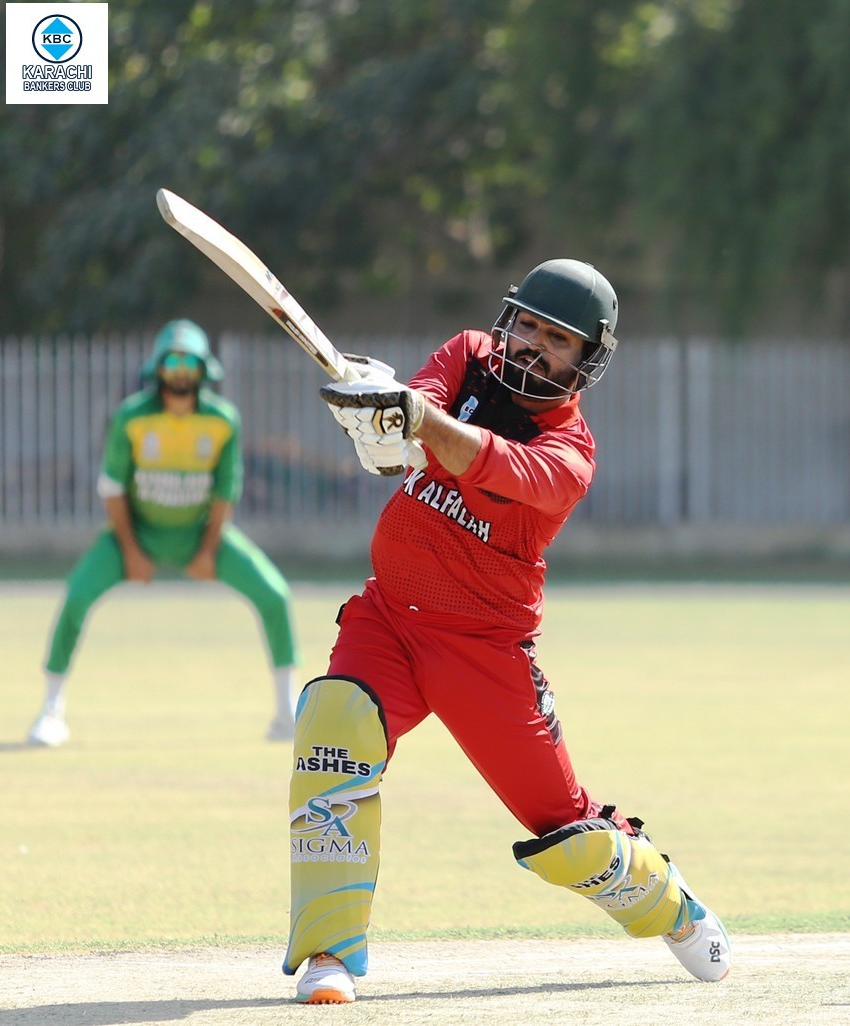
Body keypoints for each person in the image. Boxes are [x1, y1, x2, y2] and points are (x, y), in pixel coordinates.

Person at [283, 259, 730, 1004]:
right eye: (526, 325)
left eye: (557, 339)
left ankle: (669, 904)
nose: (533, 346)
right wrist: (379, 423)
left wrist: (412, 420)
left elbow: (478, 456)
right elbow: (410, 432)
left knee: (567, 832)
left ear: (587, 360)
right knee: (333, 733)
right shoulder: (467, 355)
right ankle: (328, 955)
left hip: (483, 652)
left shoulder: (570, 457)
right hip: (388, 617)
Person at [26, 319, 300, 747]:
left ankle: (287, 715)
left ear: (204, 369)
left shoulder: (222, 420)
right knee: (77, 596)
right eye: (172, 363)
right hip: (135, 535)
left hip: (200, 535)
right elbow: (112, 489)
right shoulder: (132, 416)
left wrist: (208, 550)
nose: (180, 372)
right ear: (157, 368)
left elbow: (225, 493)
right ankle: (50, 710)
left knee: (275, 595)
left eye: (190, 363)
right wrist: (131, 550)